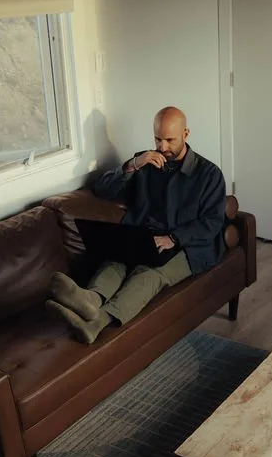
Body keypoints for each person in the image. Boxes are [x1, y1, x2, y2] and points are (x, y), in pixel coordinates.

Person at [46, 106, 227, 344]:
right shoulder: (145, 162)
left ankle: (97, 321)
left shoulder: (209, 174)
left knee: (149, 273)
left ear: (186, 134)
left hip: (187, 245)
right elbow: (102, 189)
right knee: (115, 260)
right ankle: (91, 299)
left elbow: (213, 222)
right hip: (143, 235)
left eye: (170, 140)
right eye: (157, 139)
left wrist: (173, 238)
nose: (162, 147)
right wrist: (133, 164)